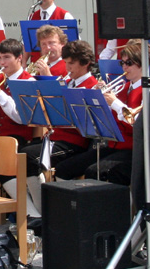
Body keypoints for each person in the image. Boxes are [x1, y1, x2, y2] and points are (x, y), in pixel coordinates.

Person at [55, 40, 150, 185]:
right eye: (122, 63)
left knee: (95, 172)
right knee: (63, 169)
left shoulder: (149, 89)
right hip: (114, 146)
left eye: (129, 63)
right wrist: (97, 101)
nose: (124, 67)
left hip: (135, 150)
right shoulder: (123, 88)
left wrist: (115, 103)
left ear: (142, 63)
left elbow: (139, 123)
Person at [0, 38, 42, 225]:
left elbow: (21, 118)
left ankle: (29, 212)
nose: (2, 63)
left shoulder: (27, 81)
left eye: (6, 58)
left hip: (19, 135)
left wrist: (0, 95)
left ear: (19, 58)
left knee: (1, 161)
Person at [22, 39, 95, 180]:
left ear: (86, 64)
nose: (67, 68)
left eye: (71, 64)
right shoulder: (67, 83)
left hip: (74, 141)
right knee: (23, 153)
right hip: (57, 138)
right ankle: (36, 199)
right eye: (66, 63)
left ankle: (41, 201)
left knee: (29, 157)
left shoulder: (91, 85)